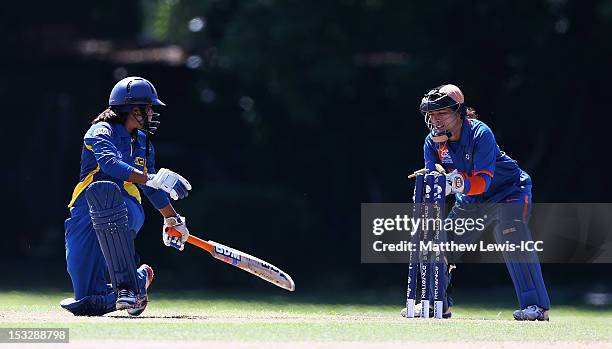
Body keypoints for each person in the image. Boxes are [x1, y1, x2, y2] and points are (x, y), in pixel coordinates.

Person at [401, 84, 551, 321]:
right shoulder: (432, 142)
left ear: (458, 111)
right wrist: (430, 187)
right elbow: (434, 180)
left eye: (441, 113)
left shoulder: (481, 133)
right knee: (440, 243)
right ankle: (436, 303)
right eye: (431, 114)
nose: (435, 119)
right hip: (471, 201)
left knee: (510, 233)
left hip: (508, 191)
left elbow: (482, 181)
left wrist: (453, 183)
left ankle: (536, 308)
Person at [60, 77, 192, 316]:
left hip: (127, 205)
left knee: (108, 199)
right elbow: (110, 164)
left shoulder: (143, 143)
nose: (152, 113)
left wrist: (172, 219)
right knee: (89, 300)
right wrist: (150, 178)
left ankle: (126, 288)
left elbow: (151, 187)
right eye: (148, 108)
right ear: (133, 109)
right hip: (84, 210)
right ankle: (137, 285)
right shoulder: (100, 131)